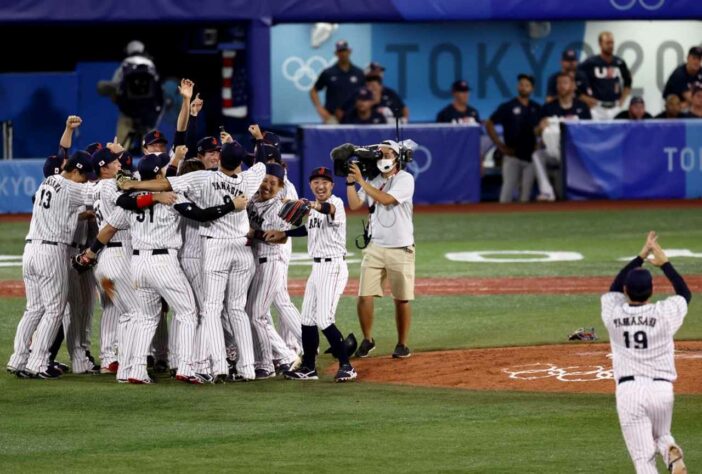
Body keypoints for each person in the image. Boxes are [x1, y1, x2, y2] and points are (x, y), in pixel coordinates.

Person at [120, 141, 264, 382]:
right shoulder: (172, 196)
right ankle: (190, 367)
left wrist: (140, 190)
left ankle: (137, 370)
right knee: (191, 312)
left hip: (138, 264)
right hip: (167, 261)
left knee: (149, 317)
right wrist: (230, 204)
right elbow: (199, 214)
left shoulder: (132, 197)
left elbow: (121, 202)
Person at [601, 231, 689, 474]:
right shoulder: (664, 313)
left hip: (630, 391)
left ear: (627, 290)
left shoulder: (613, 314)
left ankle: (668, 451)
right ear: (651, 289)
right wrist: (665, 264)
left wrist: (641, 255)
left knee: (643, 460)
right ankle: (670, 450)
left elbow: (613, 288)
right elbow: (684, 294)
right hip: (662, 390)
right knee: (662, 434)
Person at [7, 152, 96, 379]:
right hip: (52, 252)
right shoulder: (71, 187)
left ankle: (18, 359)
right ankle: (37, 363)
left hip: (30, 250)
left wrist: (86, 215)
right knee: (55, 309)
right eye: (84, 176)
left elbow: (65, 212)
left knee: (34, 308)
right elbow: (98, 192)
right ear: (75, 171)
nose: (86, 180)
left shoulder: (46, 182)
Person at [265, 167, 357, 382]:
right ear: (310, 185)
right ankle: (308, 367)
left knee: (324, 319)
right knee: (307, 320)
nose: (320, 185)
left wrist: (313, 205)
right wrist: (284, 233)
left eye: (324, 182)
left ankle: (347, 366)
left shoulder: (336, 204)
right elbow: (308, 229)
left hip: (333, 267)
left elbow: (329, 210)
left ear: (332, 185)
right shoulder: (314, 209)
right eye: (315, 182)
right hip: (317, 269)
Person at [346, 141, 415, 358]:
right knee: (364, 296)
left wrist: (361, 182)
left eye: (388, 154)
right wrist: (350, 183)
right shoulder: (372, 179)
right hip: (375, 246)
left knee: (401, 298)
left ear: (398, 158)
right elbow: (356, 204)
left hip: (400, 246)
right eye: (381, 154)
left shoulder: (405, 178)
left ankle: (402, 344)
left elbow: (387, 200)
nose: (383, 158)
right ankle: (368, 339)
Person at [245, 163, 301, 378]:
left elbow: (272, 236)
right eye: (265, 180)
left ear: (280, 187)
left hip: (271, 262)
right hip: (255, 263)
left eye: (272, 183)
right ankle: (266, 362)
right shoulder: (253, 199)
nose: (267, 186)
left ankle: (287, 356)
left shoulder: (279, 207)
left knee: (255, 315)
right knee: (259, 314)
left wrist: (249, 231)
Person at [532, 73, 591, 202]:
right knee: (537, 155)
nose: (561, 86)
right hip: (555, 152)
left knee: (563, 194)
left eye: (565, 83)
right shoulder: (548, 107)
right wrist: (540, 127)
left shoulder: (582, 107)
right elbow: (536, 131)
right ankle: (546, 191)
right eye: (559, 83)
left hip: (575, 155)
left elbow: (589, 133)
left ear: (573, 86)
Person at [485, 74, 541, 203]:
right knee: (507, 192)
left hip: (530, 156)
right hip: (512, 154)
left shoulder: (536, 108)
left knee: (525, 195)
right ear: (517, 87)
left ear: (532, 88)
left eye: (527, 85)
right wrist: (500, 145)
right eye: (521, 84)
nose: (523, 88)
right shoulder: (508, 106)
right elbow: (489, 123)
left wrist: (540, 143)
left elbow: (543, 127)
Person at [578, 32, 632, 120]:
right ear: (600, 44)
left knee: (617, 133)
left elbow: (628, 81)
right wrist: (585, 98)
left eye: (612, 43)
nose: (610, 46)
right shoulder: (590, 62)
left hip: (615, 107)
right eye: (607, 43)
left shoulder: (619, 62)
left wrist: (623, 99)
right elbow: (576, 82)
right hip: (597, 108)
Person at [310, 40, 365, 124]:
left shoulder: (359, 73)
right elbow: (313, 90)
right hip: (332, 117)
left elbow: (365, 93)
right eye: (340, 51)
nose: (342, 54)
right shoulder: (328, 72)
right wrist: (320, 109)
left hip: (354, 116)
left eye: (344, 51)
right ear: (336, 53)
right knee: (329, 137)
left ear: (349, 52)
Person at [338, 75, 408, 123]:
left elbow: (404, 109)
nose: (362, 103)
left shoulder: (381, 115)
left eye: (373, 86)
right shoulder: (350, 116)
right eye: (360, 100)